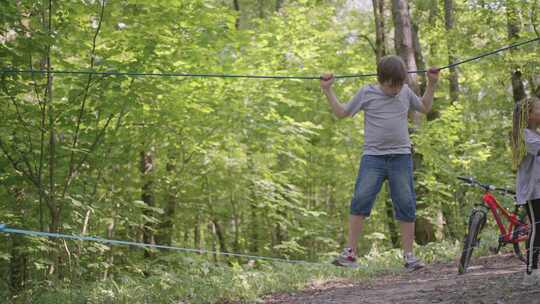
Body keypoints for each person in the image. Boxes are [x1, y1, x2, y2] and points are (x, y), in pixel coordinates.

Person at [320, 55, 439, 270]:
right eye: (391, 85)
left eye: (399, 84)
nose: (395, 89)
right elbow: (342, 113)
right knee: (361, 199)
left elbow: (424, 107)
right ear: (380, 79)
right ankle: (350, 253)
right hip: (373, 157)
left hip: (401, 157)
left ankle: (409, 256)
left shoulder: (404, 91)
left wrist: (431, 84)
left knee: (406, 203)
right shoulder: (367, 92)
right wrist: (328, 90)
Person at [511, 96, 540, 284]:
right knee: (538, 227)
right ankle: (531, 271)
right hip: (533, 191)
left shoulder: (536, 135)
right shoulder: (524, 135)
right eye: (538, 110)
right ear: (528, 116)